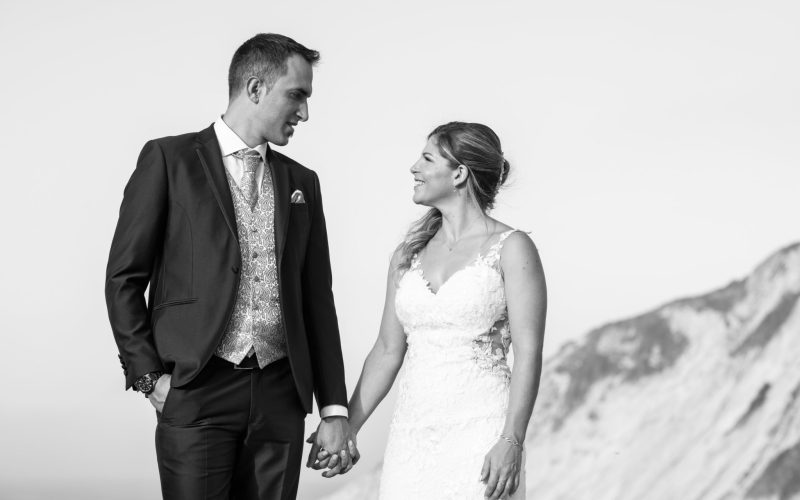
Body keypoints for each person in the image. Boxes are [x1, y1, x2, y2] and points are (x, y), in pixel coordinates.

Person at [105, 33, 356, 500]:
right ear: (256, 88)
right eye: (296, 95)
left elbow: (317, 300)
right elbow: (123, 279)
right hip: (196, 389)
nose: (304, 113)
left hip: (281, 395)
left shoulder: (302, 182)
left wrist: (334, 408)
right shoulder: (168, 159)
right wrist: (149, 379)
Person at [315, 122, 547, 498]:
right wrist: (348, 425)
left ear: (459, 173)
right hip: (412, 436)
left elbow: (529, 352)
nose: (413, 168)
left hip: (483, 431)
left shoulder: (512, 248)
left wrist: (512, 440)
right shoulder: (407, 256)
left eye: (426, 158)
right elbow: (387, 350)